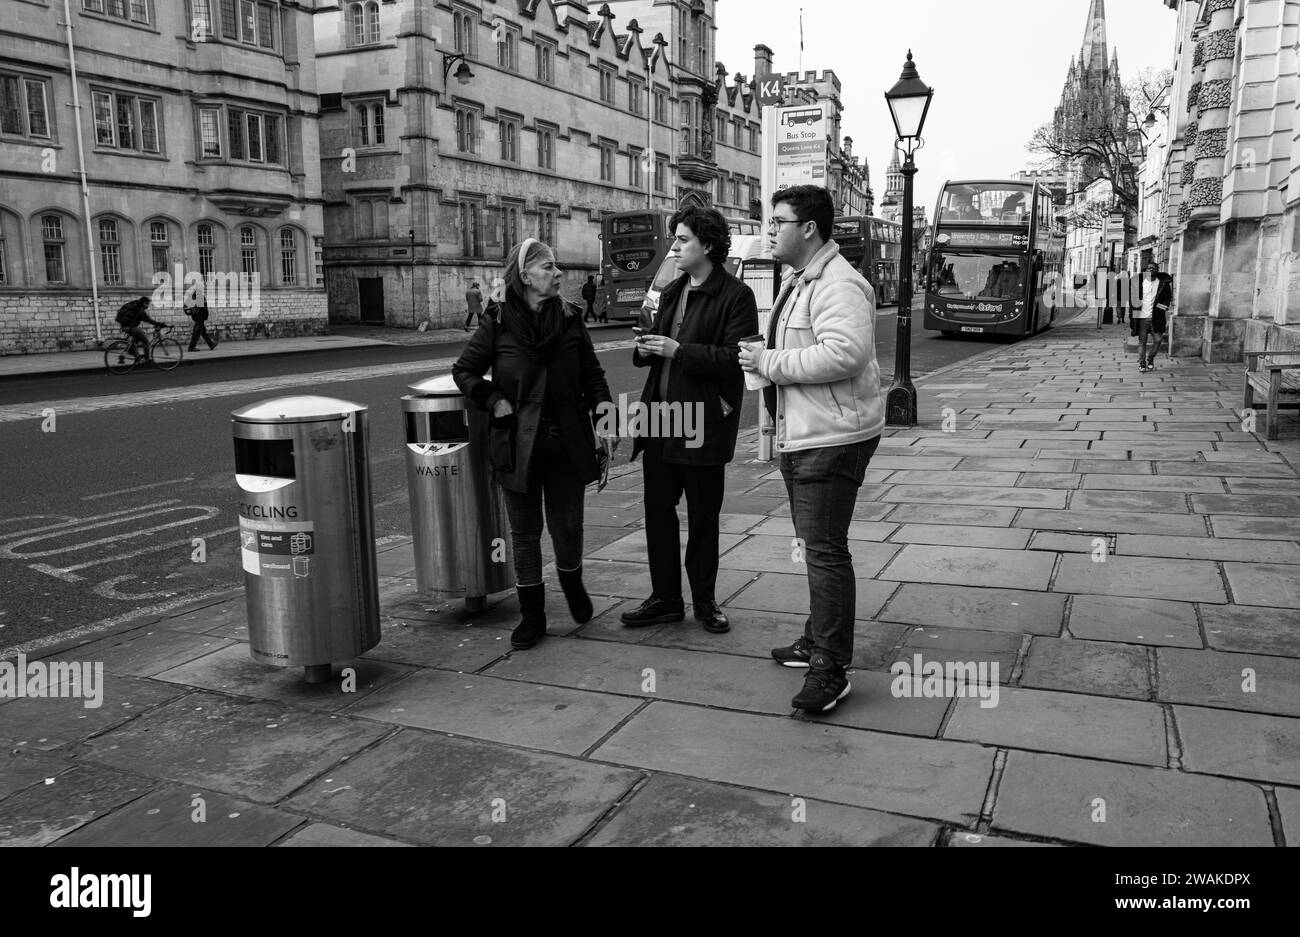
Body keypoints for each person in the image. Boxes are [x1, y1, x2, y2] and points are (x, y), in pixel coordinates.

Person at [738, 185, 884, 714]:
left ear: (808, 229)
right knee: (814, 543)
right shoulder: (804, 281)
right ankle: (815, 638)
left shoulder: (840, 285)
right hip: (805, 433)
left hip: (833, 437)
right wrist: (763, 357)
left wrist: (770, 363)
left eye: (778, 221)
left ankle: (831, 666)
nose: (769, 229)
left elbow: (845, 354)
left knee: (824, 549)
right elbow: (803, 348)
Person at [453, 239, 614, 650]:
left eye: (557, 266)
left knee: (568, 526)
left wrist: (605, 416)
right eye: (548, 268)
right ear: (525, 276)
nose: (558, 273)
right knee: (524, 534)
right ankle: (533, 614)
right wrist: (493, 400)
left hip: (566, 442)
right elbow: (466, 371)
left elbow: (592, 375)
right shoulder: (498, 320)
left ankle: (572, 581)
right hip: (517, 445)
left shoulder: (572, 318)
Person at [621, 206, 758, 635]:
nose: (675, 247)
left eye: (683, 240)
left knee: (702, 518)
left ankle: (705, 601)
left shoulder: (736, 295)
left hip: (701, 424)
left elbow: (736, 359)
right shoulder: (671, 287)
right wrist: (645, 348)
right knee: (659, 514)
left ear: (709, 246)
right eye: (675, 239)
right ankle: (665, 599)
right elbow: (652, 348)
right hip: (661, 421)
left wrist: (676, 350)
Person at [1133, 262, 1172, 371]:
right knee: (1142, 342)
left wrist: (1161, 308)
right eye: (1149, 267)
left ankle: (1150, 358)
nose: (1150, 269)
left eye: (1153, 268)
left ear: (1157, 270)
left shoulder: (1163, 283)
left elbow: (1167, 298)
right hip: (1142, 318)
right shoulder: (1140, 283)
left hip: (1157, 317)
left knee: (1158, 339)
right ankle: (1142, 363)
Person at [115, 296, 169, 363]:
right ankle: (147, 360)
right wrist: (161, 324)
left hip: (125, 326)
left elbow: (147, 320)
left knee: (138, 338)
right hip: (131, 328)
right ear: (143, 303)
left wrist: (157, 324)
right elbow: (149, 320)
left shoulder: (135, 305)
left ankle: (135, 354)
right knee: (146, 341)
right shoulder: (140, 311)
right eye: (147, 304)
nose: (148, 306)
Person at [185, 281, 218, 352]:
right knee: (196, 332)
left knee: (203, 331)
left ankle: (211, 344)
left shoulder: (193, 295)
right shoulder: (198, 295)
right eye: (202, 287)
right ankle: (191, 347)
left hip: (197, 317)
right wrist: (205, 316)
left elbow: (188, 306)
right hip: (199, 318)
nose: (203, 288)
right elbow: (202, 309)